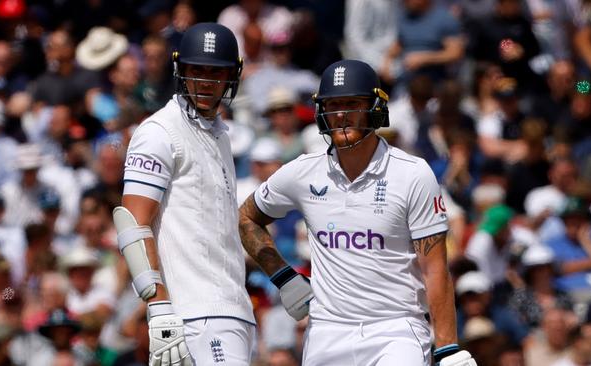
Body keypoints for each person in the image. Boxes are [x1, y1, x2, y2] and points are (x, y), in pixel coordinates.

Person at [239, 59, 474, 365]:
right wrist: (284, 277)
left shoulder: (413, 174)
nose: (341, 115)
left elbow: (435, 268)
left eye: (352, 104)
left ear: (375, 108)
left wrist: (447, 347)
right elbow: (246, 217)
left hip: (397, 329)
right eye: (333, 105)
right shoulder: (303, 171)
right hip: (326, 331)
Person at [113, 23, 255, 366]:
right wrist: (159, 307)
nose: (206, 81)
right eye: (197, 70)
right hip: (191, 315)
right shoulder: (159, 131)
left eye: (216, 71)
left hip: (229, 310)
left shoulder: (219, 134)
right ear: (181, 71)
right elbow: (132, 225)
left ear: (231, 76)